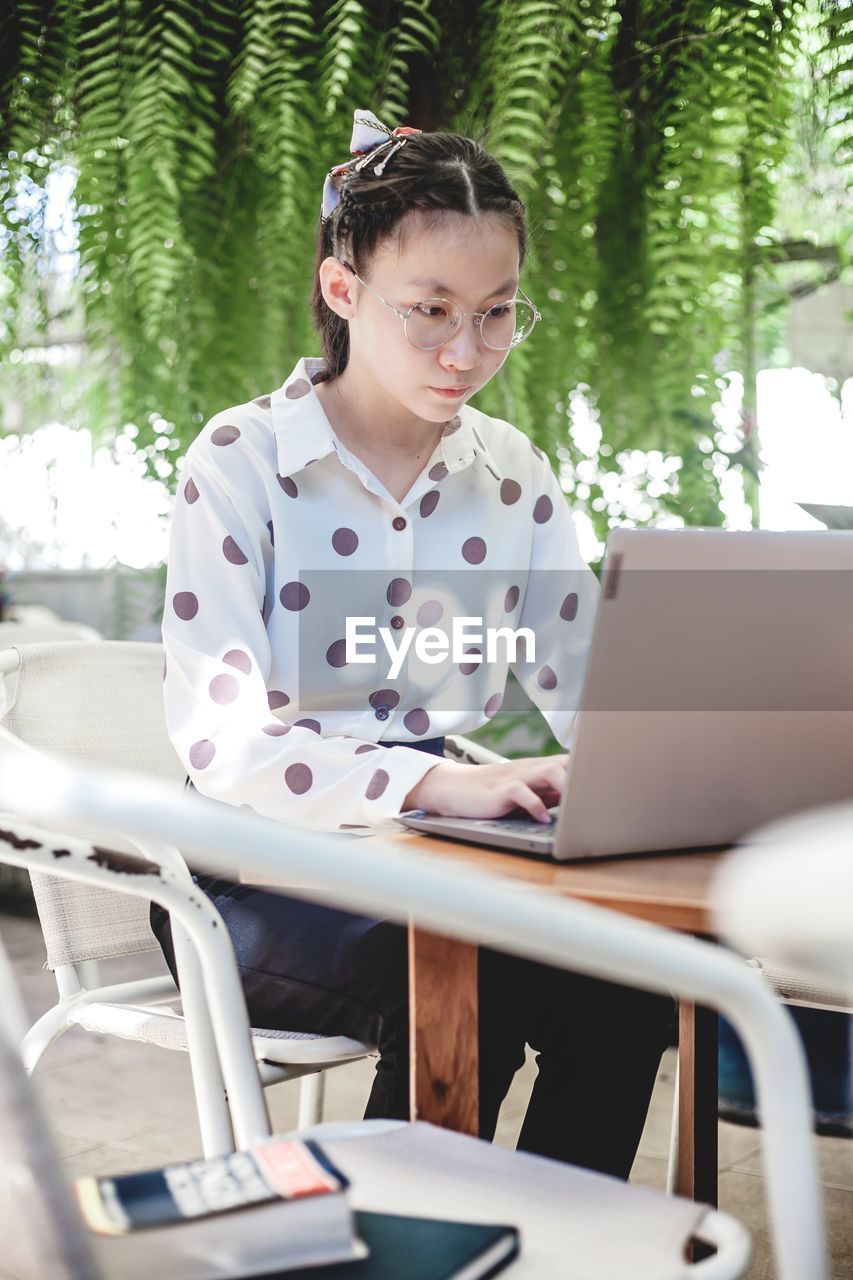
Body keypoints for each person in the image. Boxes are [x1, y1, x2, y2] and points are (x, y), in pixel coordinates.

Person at [152, 109, 672, 1179]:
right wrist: (432, 786)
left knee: (629, 980)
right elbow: (225, 745)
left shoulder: (512, 470)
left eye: (494, 314)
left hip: (442, 860)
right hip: (255, 872)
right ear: (344, 292)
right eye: (430, 310)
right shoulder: (243, 462)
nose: (465, 350)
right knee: (477, 979)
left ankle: (546, 1243)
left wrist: (650, 772)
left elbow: (583, 682)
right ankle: (406, 1247)